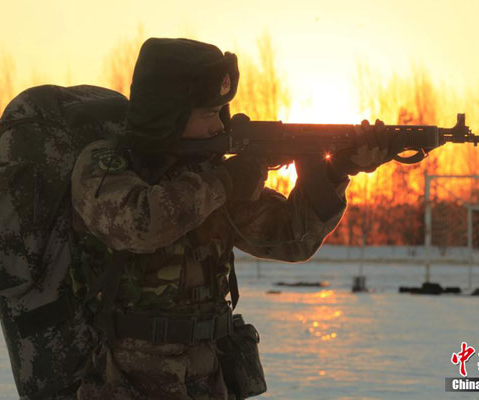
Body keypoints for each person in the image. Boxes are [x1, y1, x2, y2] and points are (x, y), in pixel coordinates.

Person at [70, 38, 389, 399]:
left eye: (221, 113)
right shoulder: (106, 164)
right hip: (129, 377)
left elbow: (288, 237)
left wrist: (336, 171)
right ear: (168, 113)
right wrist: (225, 181)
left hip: (209, 376)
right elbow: (139, 224)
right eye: (208, 114)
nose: (217, 126)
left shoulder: (210, 175)